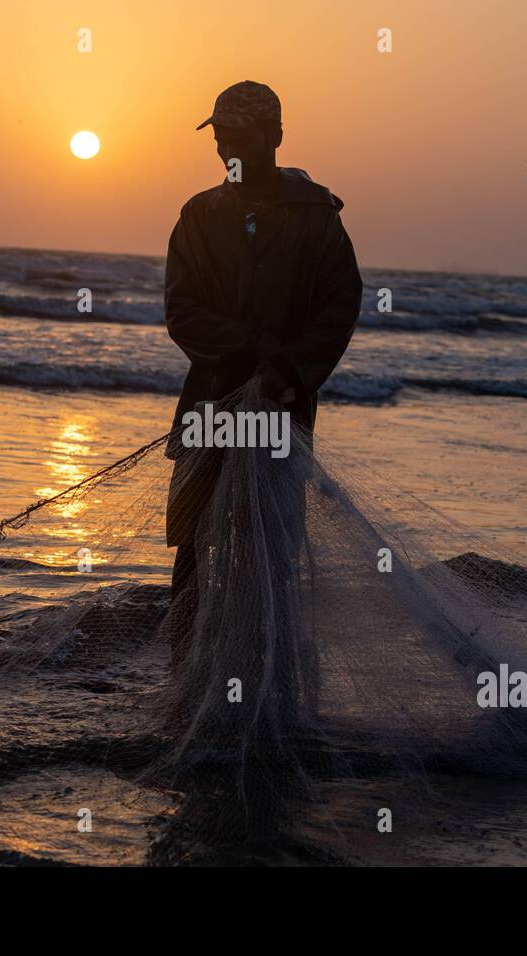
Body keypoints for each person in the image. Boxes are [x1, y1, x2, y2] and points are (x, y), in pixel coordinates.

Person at [162, 80, 363, 671]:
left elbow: (340, 303)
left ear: (274, 137)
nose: (226, 147)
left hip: (282, 410)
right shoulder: (199, 215)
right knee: (193, 544)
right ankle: (187, 673)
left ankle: (266, 677)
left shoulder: (318, 220)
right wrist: (249, 346)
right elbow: (183, 311)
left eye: (239, 136)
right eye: (220, 135)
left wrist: (292, 370)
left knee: (271, 547)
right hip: (207, 407)